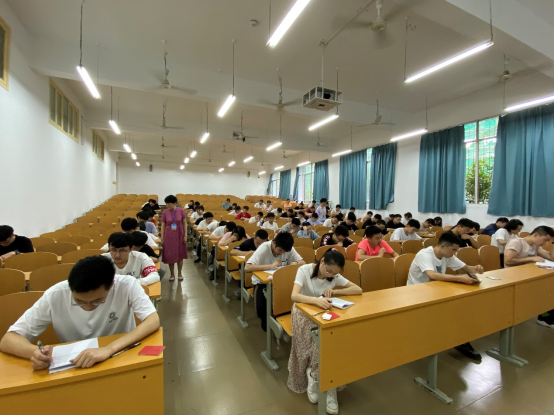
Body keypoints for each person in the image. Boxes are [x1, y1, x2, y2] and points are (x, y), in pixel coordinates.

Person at [0, 256, 160, 370]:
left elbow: (153, 320)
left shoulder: (126, 285)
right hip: (75, 365)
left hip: (120, 357)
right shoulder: (56, 294)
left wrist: (109, 349)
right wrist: (34, 353)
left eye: (97, 301)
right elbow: (8, 340)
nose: (88, 307)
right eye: (79, 301)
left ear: (111, 285)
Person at [287, 251, 362, 414]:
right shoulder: (304, 270)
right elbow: (294, 296)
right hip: (302, 311)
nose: (330, 275)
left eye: (334, 274)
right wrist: (315, 300)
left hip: (323, 312)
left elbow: (358, 289)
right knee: (320, 338)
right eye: (328, 271)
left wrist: (335, 292)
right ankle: (317, 377)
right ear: (321, 261)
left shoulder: (334, 275)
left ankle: (326, 381)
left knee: (334, 339)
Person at [407, 232, 485, 361]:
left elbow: (466, 268)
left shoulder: (447, 255)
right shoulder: (425, 254)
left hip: (436, 290)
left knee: (462, 304)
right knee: (454, 307)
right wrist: (460, 278)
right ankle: (453, 338)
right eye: (453, 250)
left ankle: (459, 339)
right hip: (417, 293)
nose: (454, 253)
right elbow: (432, 275)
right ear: (443, 246)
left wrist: (476, 269)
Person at [246, 232, 306, 331]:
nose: (281, 253)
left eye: (284, 252)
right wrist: (270, 266)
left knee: (286, 302)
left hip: (280, 281)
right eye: (280, 250)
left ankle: (282, 318)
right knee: (261, 311)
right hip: (262, 282)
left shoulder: (288, 248)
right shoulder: (264, 248)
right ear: (274, 243)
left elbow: (303, 262)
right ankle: (266, 321)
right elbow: (247, 268)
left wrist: (295, 263)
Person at [161, 195, 188, 282]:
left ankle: (179, 273)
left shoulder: (181, 211)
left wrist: (185, 235)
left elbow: (185, 223)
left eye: (169, 203)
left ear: (174, 203)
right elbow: (163, 225)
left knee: (180, 254)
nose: (167, 205)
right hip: (169, 235)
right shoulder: (165, 212)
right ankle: (172, 274)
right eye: (166, 204)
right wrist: (162, 238)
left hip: (179, 234)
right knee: (170, 254)